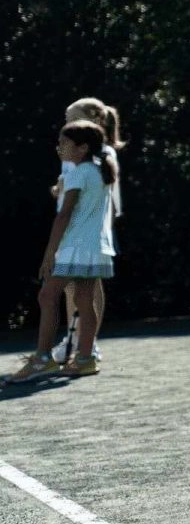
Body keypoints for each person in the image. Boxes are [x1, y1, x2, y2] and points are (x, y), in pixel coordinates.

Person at [8, 120, 118, 383]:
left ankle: (43, 360)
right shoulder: (98, 171)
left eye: (65, 143)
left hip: (75, 248)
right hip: (95, 248)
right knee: (84, 300)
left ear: (82, 148)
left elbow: (64, 216)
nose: (59, 147)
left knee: (47, 295)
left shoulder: (79, 173)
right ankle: (84, 359)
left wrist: (49, 253)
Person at [51, 97, 123, 366]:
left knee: (89, 284)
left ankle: (88, 343)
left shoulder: (103, 153)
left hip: (92, 229)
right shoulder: (72, 151)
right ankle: (74, 341)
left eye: (72, 117)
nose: (67, 123)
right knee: (73, 285)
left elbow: (106, 195)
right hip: (74, 228)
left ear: (94, 121)